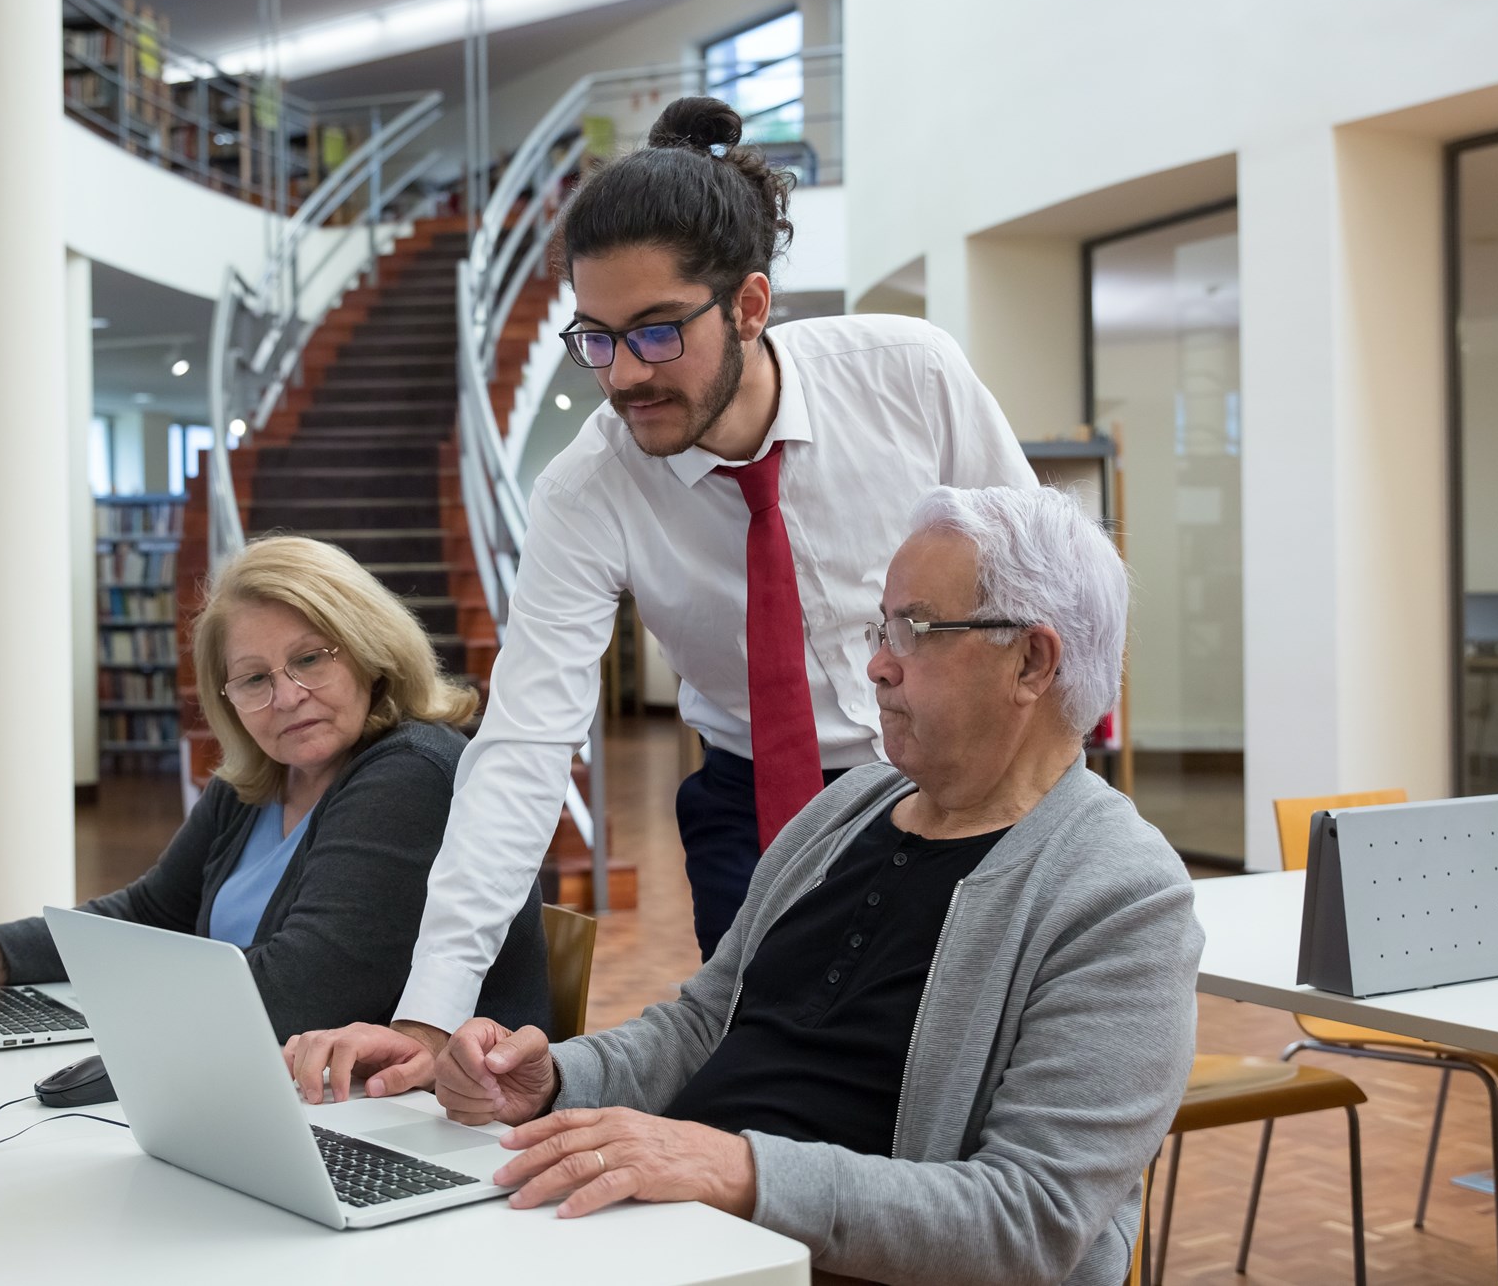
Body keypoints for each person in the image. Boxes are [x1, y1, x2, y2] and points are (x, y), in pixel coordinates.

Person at [289, 94, 1040, 1089]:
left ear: (748, 306)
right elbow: (521, 749)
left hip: (955, 772)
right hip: (749, 797)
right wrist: (431, 1013)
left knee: (968, 1074)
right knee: (772, 1076)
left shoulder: (909, 376)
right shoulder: (587, 489)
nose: (621, 376)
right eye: (593, 340)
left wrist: (1059, 800)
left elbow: (1044, 594)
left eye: (652, 334)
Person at [420, 485, 1201, 1286]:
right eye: (881, 625)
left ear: (1032, 661)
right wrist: (557, 1076)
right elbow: (702, 1027)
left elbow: (1027, 1221)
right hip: (680, 1240)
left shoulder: (1121, 893)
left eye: (915, 629)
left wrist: (740, 1171)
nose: (878, 662)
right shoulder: (849, 807)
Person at [0, 534, 552, 1040]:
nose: (286, 696)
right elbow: (150, 911)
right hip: (286, 1093)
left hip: (427, 1128)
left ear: (370, 650)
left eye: (311, 658)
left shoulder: (412, 772)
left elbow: (300, 991)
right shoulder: (258, 780)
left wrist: (113, 1011)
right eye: (255, 678)